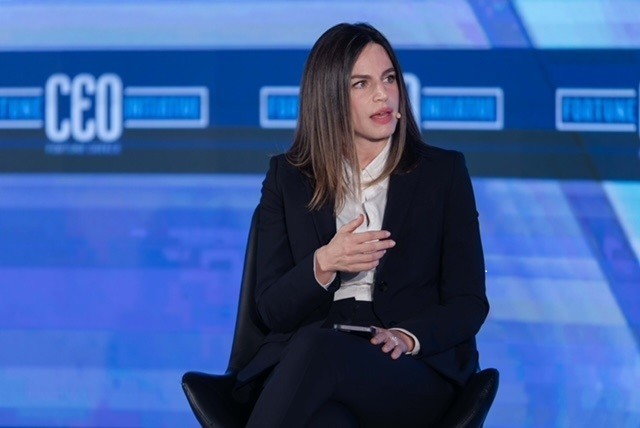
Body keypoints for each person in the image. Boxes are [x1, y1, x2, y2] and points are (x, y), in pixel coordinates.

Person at [233, 22, 489, 427]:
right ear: (329, 96)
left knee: (318, 351)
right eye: (361, 84)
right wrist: (324, 263)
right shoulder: (288, 178)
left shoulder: (443, 173)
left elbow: (468, 302)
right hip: (309, 365)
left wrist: (408, 337)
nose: (382, 94)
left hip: (407, 366)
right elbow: (271, 310)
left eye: (389, 79)